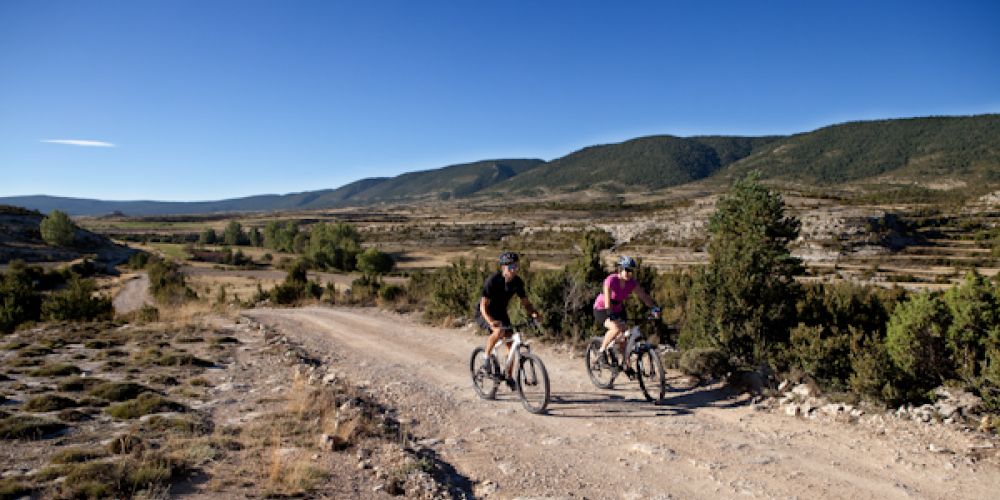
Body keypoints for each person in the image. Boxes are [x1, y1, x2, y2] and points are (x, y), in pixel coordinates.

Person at [477, 251, 541, 388]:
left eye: (516, 266)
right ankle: (486, 359)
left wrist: (533, 313)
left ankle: (509, 376)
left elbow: (526, 303)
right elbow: (483, 306)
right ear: (503, 267)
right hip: (485, 312)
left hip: (501, 313)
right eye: (511, 267)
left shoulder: (517, 282)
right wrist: (490, 322)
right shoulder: (493, 280)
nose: (514, 270)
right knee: (498, 331)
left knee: (511, 345)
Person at [593, 256, 659, 376]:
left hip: (618, 309)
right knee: (616, 328)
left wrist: (654, 307)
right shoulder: (610, 280)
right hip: (602, 308)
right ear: (620, 269)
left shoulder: (632, 283)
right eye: (627, 270)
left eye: (631, 270)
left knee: (625, 338)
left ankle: (626, 366)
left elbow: (643, 296)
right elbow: (607, 301)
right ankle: (601, 352)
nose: (629, 273)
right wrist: (610, 314)